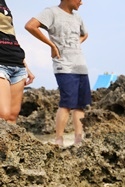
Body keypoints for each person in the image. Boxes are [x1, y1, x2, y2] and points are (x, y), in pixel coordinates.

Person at [25, 0, 91, 146]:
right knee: (67, 102)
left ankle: (78, 139)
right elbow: (30, 26)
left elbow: (85, 34)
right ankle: (59, 140)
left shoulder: (78, 17)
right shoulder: (51, 12)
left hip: (80, 64)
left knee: (80, 105)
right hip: (64, 65)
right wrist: (52, 45)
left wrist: (77, 43)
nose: (82, 2)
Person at [0, 0, 35, 124]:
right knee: (3, 114)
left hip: (17, 64)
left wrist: (26, 67)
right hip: (1, 64)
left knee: (12, 117)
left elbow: (11, 36)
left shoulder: (4, 3)